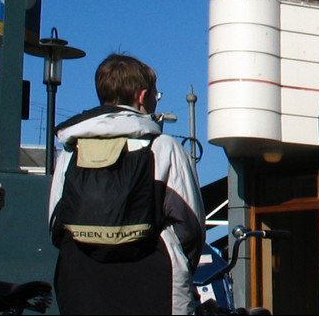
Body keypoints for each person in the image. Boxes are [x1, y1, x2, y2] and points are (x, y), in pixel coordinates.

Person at [48, 53, 204, 315]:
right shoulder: (162, 147)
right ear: (142, 97)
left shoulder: (72, 152)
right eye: (156, 94)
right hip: (156, 287)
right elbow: (191, 228)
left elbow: (55, 224)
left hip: (81, 287)